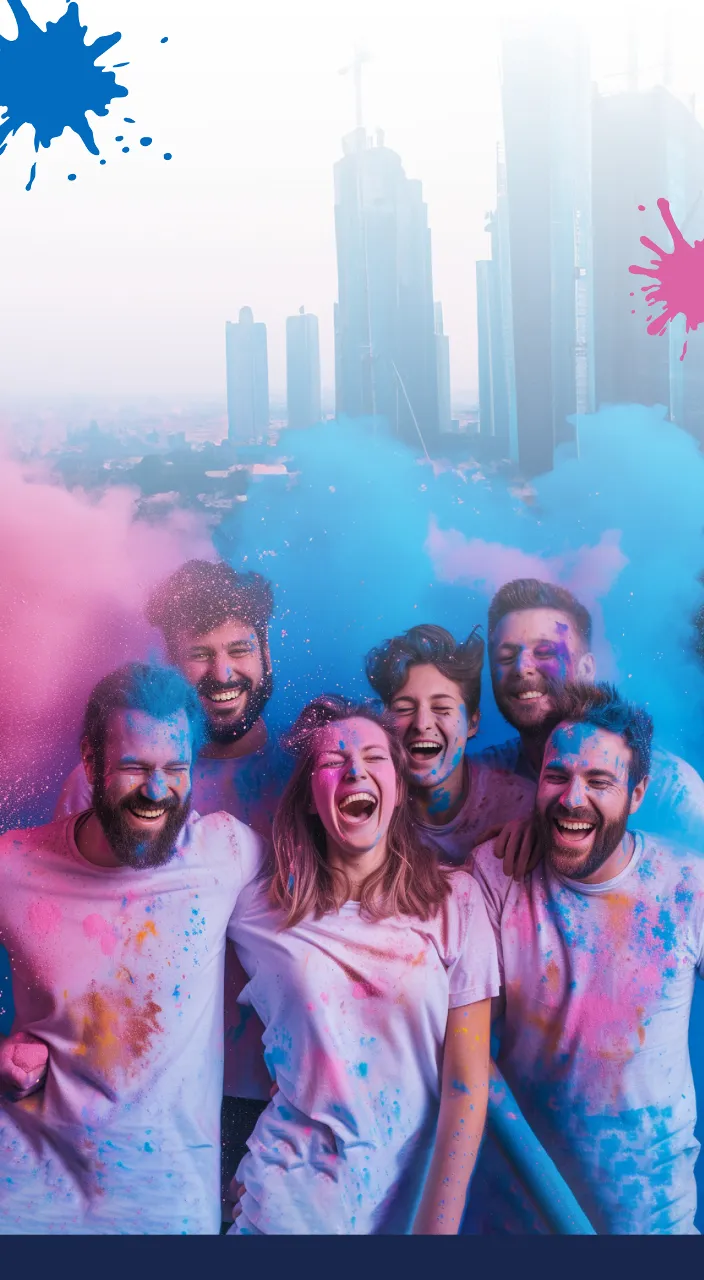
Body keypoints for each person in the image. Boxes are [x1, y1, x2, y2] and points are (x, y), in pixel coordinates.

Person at [53, 560, 289, 1211]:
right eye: (198, 655)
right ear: (166, 662)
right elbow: (63, 944)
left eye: (240, 649)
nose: (222, 673)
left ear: (268, 650)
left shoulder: (313, 778)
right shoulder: (103, 784)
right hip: (136, 1099)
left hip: (276, 1102)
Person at [0, 663, 266, 1234]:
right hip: (22, 1208)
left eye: (176, 768)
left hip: (166, 1214)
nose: (156, 789)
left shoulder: (225, 852)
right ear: (90, 760)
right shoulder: (12, 864)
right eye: (133, 767)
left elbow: (340, 884)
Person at [227, 696, 499, 1235]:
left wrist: (434, 1233)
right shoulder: (254, 906)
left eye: (375, 758)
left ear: (397, 790)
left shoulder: (457, 901)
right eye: (333, 761)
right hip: (289, 1207)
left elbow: (467, 1082)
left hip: (406, 1209)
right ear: (310, 797)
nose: (355, 769)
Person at [467, 682, 704, 1235]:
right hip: (514, 1221)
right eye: (558, 776)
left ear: (637, 794)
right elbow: (458, 1043)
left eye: (600, 781)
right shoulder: (496, 875)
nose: (573, 798)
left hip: (653, 1224)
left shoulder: (687, 886)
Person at [479, 578, 704, 850]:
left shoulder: (671, 790)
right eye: (505, 656)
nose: (521, 667)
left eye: (545, 652)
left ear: (587, 669)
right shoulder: (478, 782)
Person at [365, 625, 534, 863]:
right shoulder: (369, 810)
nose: (422, 724)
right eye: (404, 709)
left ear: (472, 723)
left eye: (441, 708)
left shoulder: (522, 806)